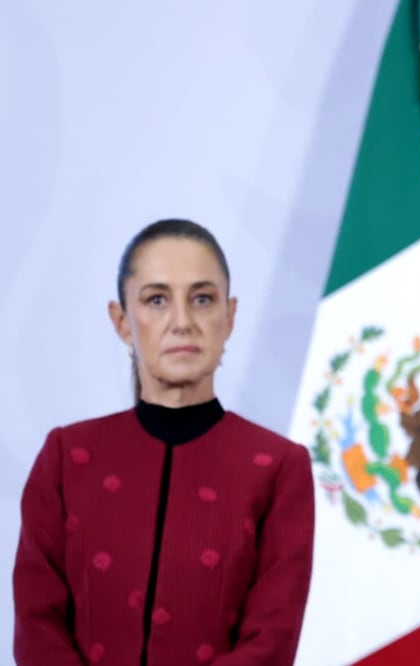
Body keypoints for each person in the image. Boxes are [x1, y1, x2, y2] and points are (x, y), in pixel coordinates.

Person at [13, 220, 315, 665]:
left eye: (202, 299)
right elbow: (37, 626)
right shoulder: (67, 458)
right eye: (157, 299)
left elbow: (271, 642)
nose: (182, 322)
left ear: (229, 317)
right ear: (122, 321)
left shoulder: (276, 466)